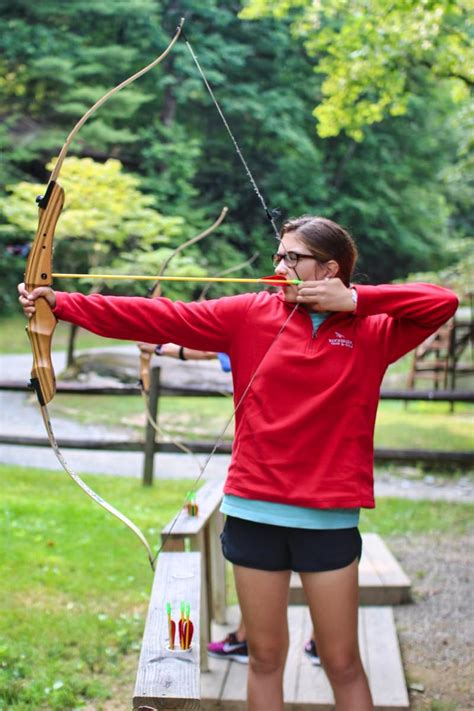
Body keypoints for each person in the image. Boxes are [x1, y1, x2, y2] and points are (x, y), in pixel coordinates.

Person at [19, 215, 458, 711]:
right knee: (265, 658)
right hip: (255, 512)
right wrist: (62, 302)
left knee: (342, 663)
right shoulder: (250, 313)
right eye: (278, 254)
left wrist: (356, 299)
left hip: (329, 516)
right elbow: (160, 316)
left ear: (330, 269)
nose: (278, 265)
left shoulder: (375, 332)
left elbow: (442, 301)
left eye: (292, 257)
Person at [137, 341, 320, 666]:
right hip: (292, 477)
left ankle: (287, 641)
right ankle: (252, 638)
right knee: (285, 567)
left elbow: (210, 349)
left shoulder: (275, 334)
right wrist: (163, 348)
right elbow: (212, 349)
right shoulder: (274, 332)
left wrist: (161, 347)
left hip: (289, 479)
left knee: (303, 562)